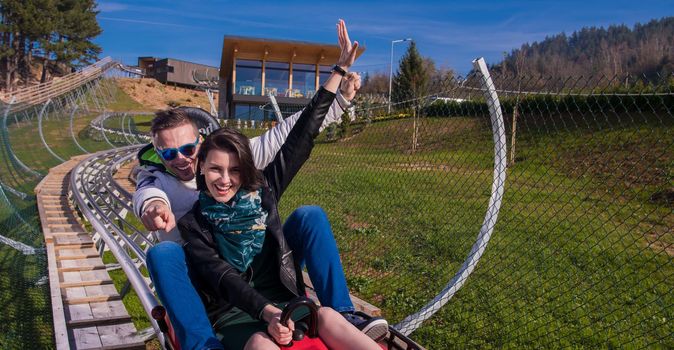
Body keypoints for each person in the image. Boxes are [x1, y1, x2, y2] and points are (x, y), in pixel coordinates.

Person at [132, 25, 386, 350]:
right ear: (202, 171)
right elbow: (150, 196)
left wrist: (338, 73)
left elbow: (298, 137)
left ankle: (345, 313)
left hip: (270, 283)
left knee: (312, 224)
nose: (225, 179)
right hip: (219, 291)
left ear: (201, 146)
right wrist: (154, 206)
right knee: (165, 252)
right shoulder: (186, 214)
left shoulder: (254, 185)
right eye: (169, 153)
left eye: (233, 170)